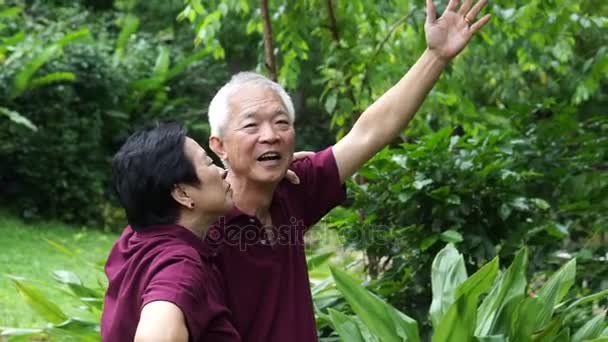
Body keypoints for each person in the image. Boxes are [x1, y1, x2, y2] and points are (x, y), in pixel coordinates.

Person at [204, 0, 491, 341]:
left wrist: (436, 56)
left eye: (281, 122)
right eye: (251, 126)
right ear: (218, 145)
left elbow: (372, 131)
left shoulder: (295, 187)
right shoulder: (199, 225)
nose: (271, 136)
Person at [100, 123, 240, 341]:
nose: (223, 172)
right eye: (209, 162)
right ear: (183, 193)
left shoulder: (136, 239)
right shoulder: (180, 266)